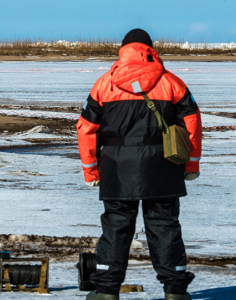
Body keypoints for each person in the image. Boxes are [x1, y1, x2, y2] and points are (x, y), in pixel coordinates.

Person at [77, 29, 202, 300]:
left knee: (115, 227)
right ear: (150, 50)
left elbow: (85, 128)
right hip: (163, 167)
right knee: (164, 226)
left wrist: (90, 169)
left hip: (116, 168)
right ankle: (175, 291)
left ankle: (106, 291)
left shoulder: (104, 84)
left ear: (123, 50)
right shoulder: (171, 82)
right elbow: (192, 123)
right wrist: (191, 164)